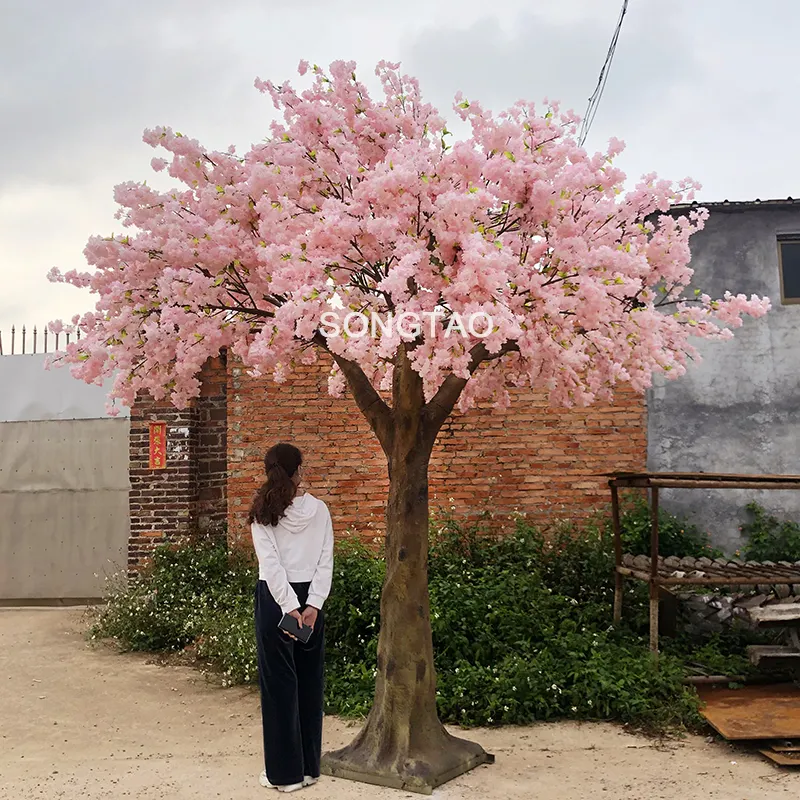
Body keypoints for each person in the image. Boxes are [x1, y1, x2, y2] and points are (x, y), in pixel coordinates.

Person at [249, 443, 334, 793]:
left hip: (275, 601)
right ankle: (310, 768)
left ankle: (285, 775)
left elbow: (271, 567)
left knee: (279, 687)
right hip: (312, 603)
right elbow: (325, 560)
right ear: (297, 471)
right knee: (310, 682)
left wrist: (289, 607)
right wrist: (313, 604)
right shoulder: (320, 510)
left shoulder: (262, 511)